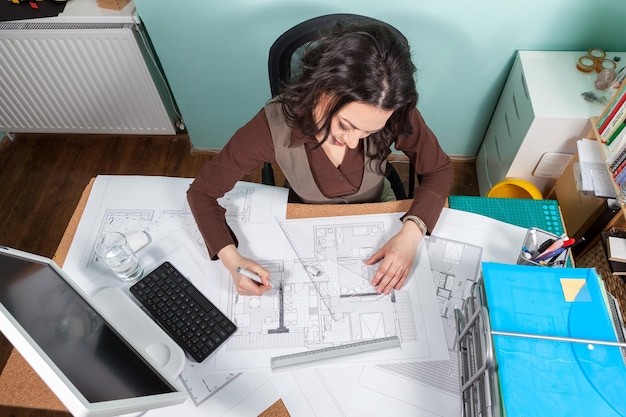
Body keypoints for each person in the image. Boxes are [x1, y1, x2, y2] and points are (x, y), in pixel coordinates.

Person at [187, 21, 453, 297]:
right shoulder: (271, 126)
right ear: (323, 92)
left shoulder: (392, 109)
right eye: (346, 125)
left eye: (370, 132)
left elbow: (439, 170)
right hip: (308, 217)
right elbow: (202, 192)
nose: (353, 142)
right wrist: (234, 262)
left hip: (378, 213)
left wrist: (411, 234)